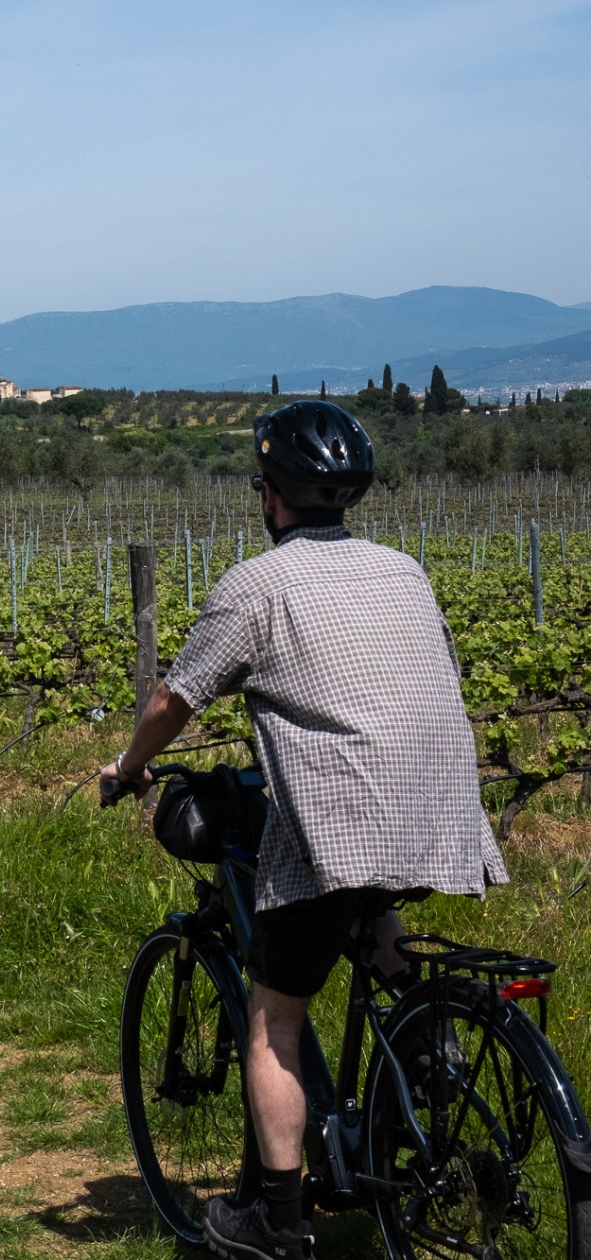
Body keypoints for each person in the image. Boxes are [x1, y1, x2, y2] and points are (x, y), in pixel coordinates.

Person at [99, 401, 506, 1260]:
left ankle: (278, 1223)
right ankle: (432, 1048)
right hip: (442, 806)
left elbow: (177, 699)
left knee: (274, 1015)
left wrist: (128, 766)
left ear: (270, 497)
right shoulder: (406, 571)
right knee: (368, 904)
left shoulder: (256, 585)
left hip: (341, 817)